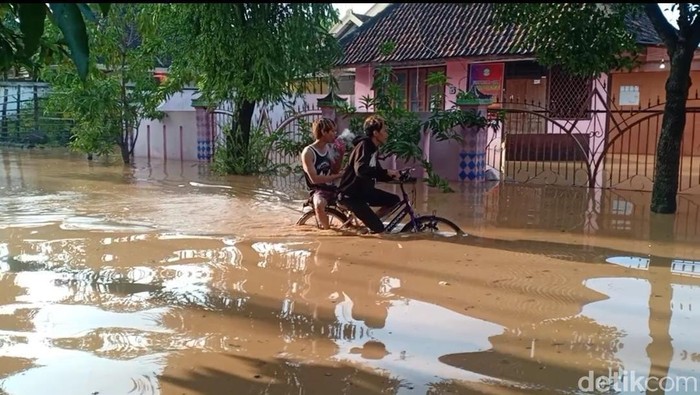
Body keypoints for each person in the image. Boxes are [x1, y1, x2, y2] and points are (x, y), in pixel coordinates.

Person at [337, 115, 400, 234]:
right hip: (351, 196)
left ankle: (367, 223)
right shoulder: (364, 146)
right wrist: (386, 172)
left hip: (364, 192)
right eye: (384, 131)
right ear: (376, 133)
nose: (387, 134)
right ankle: (371, 226)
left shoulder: (373, 148)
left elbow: (377, 172)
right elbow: (361, 170)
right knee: (379, 229)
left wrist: (394, 175)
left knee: (394, 200)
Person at [300, 117, 343, 229]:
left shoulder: (329, 148)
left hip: (332, 187)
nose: (335, 134)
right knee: (319, 205)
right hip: (318, 189)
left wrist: (340, 154)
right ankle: (327, 232)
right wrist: (337, 176)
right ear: (324, 132)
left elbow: (335, 170)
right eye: (332, 131)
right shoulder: (308, 152)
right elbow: (315, 179)